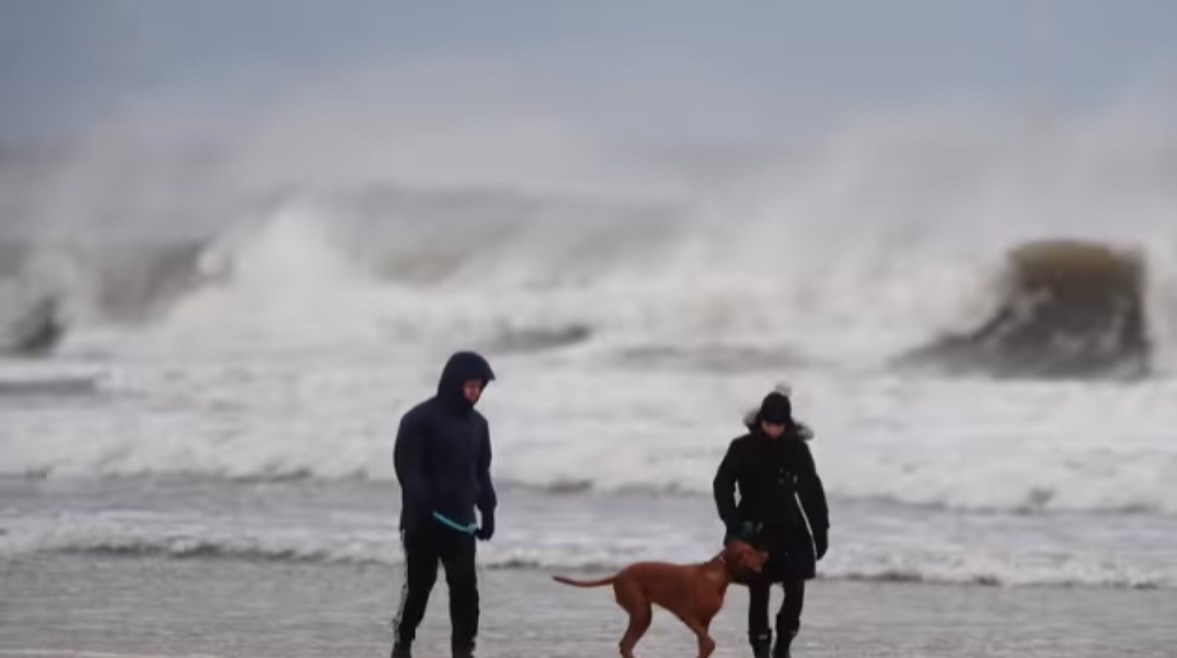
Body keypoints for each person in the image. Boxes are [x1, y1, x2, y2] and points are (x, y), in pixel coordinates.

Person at [391, 351, 498, 658]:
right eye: (470, 386)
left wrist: (488, 509)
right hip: (423, 522)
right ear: (454, 383)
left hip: (461, 523)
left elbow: (481, 471)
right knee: (419, 589)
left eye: (480, 387)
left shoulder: (479, 426)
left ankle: (463, 651)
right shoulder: (419, 419)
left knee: (466, 594)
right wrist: (422, 505)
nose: (475, 392)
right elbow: (407, 468)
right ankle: (403, 642)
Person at [713, 389, 829, 658]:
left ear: (787, 423)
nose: (773, 429)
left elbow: (811, 490)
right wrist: (732, 523)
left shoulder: (797, 449)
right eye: (769, 423)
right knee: (759, 590)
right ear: (760, 421)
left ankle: (784, 644)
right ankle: (761, 648)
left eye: (779, 425)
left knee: (796, 587)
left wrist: (820, 530)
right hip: (753, 527)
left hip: (791, 526)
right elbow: (722, 484)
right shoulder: (742, 447)